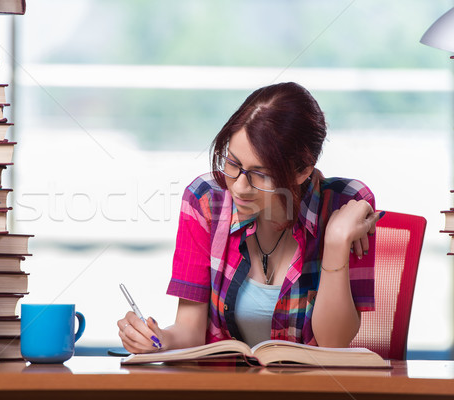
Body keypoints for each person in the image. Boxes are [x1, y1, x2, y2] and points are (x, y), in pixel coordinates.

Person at [117, 82, 381, 353]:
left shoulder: (346, 204)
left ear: (302, 170)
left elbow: (333, 343)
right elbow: (189, 329)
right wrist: (158, 340)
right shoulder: (205, 200)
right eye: (233, 164)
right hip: (226, 388)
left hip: (310, 390)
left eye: (261, 173)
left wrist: (336, 242)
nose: (240, 187)